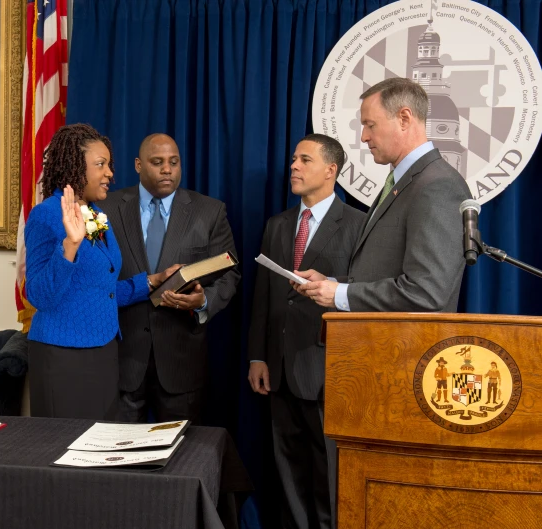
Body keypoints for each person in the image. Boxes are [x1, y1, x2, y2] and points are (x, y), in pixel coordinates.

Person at [247, 134, 365, 529]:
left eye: (305, 160)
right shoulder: (278, 224)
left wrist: (332, 283)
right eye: (293, 158)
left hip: (327, 371)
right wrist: (258, 355)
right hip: (278, 370)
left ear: (331, 170)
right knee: (288, 473)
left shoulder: (359, 225)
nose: (293, 166)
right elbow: (264, 295)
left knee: (327, 472)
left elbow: (366, 289)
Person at [23, 124, 178, 420]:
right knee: (63, 453)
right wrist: (70, 244)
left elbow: (101, 289)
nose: (110, 174)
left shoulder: (95, 215)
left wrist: (152, 281)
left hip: (104, 351)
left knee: (97, 451)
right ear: (73, 168)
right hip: (63, 356)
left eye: (109, 165)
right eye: (100, 165)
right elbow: (39, 295)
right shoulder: (46, 214)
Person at [296, 77, 472, 313]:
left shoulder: (438, 185)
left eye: (370, 125)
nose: (364, 137)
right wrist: (332, 284)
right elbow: (382, 273)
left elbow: (426, 293)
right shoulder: (404, 181)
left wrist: (340, 294)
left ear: (404, 119)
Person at [99, 133, 240, 423]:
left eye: (174, 162)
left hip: (181, 361)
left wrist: (203, 302)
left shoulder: (209, 211)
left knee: (181, 458)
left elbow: (229, 274)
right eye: (158, 162)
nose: (167, 169)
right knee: (115, 459)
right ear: (138, 165)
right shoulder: (106, 209)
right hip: (121, 360)